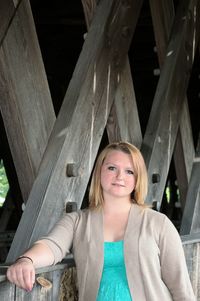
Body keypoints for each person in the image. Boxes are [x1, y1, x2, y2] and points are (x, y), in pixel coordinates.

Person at [6, 142, 195, 300]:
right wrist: (26, 260)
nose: (120, 176)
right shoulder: (77, 221)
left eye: (129, 171)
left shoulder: (158, 223)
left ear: (138, 178)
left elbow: (181, 287)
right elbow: (51, 246)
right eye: (112, 168)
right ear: (99, 172)